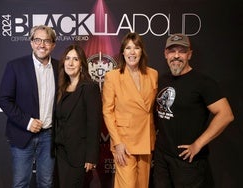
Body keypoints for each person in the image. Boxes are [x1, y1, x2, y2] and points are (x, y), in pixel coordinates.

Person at [153, 33, 234, 187]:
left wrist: (198, 144)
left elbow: (226, 115)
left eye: (182, 51)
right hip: (162, 159)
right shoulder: (161, 80)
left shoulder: (203, 83)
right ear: (165, 54)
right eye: (172, 51)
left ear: (189, 54)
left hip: (188, 162)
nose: (176, 56)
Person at [0, 25, 58, 188]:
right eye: (37, 40)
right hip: (21, 134)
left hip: (49, 137)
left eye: (46, 41)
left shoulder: (60, 69)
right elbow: (3, 100)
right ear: (31, 43)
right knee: (21, 183)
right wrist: (28, 122)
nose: (42, 45)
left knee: (46, 183)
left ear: (53, 45)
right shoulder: (15, 66)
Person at [102, 32, 158, 188]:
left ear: (142, 51)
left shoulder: (153, 74)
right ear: (122, 52)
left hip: (146, 137)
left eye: (136, 48)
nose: (132, 52)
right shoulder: (112, 77)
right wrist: (117, 142)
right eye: (128, 48)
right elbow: (107, 111)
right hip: (124, 141)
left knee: (142, 184)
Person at [54, 44, 102, 188]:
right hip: (60, 153)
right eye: (67, 58)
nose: (70, 63)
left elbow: (94, 124)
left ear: (82, 64)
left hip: (78, 155)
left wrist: (91, 157)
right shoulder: (61, 88)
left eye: (75, 59)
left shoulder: (89, 87)